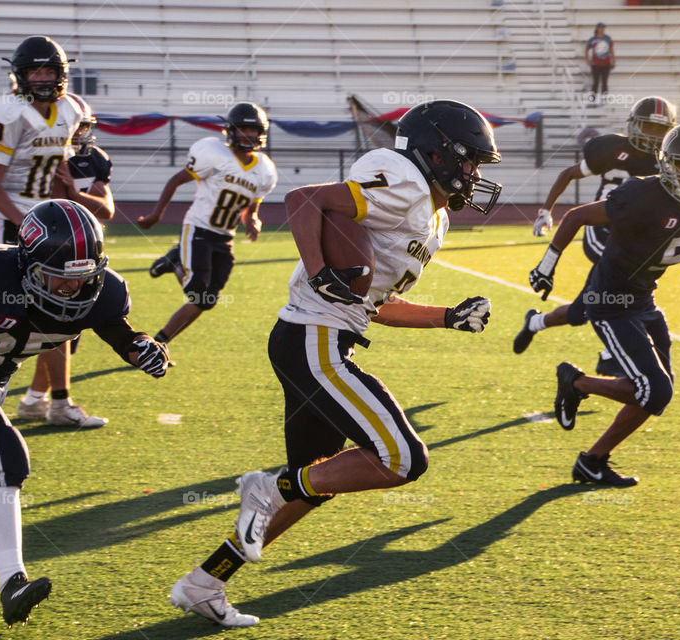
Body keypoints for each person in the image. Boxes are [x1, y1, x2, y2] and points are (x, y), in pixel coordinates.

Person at [167, 99, 499, 628]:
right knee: (401, 458)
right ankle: (264, 490)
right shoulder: (405, 182)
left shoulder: (430, 214)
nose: (474, 175)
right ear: (436, 153)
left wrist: (448, 317)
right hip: (312, 338)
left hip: (320, 338)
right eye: (469, 162)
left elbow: (378, 305)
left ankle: (205, 582)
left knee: (314, 484)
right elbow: (302, 201)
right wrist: (321, 270)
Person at [0, 199, 170, 628]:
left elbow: (117, 329)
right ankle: (12, 582)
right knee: (6, 455)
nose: (70, 290)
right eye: (56, 279)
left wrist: (140, 347)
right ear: (27, 265)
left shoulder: (101, 292)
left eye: (82, 279)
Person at [526, 122, 680, 486]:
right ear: (668, 163)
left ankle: (592, 461)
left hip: (644, 299)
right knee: (654, 389)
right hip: (610, 301)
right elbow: (578, 215)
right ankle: (577, 383)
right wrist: (546, 266)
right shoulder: (643, 194)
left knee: (656, 395)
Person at [0, 35, 104, 428]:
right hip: (7, 219)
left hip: (45, 222)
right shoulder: (7, 112)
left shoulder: (70, 109)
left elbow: (62, 171)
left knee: (58, 311)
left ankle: (51, 402)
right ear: (21, 75)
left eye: (50, 70)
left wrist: (68, 211)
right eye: (35, 71)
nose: (43, 78)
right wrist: (26, 223)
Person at [521, 97, 676, 376]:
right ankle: (612, 352)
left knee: (581, 312)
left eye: (658, 129)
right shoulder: (611, 148)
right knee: (623, 283)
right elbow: (569, 173)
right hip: (601, 230)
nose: (652, 134)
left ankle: (535, 322)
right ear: (633, 125)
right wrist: (546, 210)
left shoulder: (667, 163)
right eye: (647, 127)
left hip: (632, 237)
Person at [136, 102, 276, 345]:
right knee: (199, 295)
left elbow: (250, 209)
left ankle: (160, 342)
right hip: (199, 230)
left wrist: (252, 221)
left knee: (206, 301)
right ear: (231, 130)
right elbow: (175, 181)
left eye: (253, 130)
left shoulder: (264, 170)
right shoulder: (213, 152)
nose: (249, 135)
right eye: (243, 129)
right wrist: (156, 215)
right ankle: (177, 260)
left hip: (225, 238)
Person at [17, 92, 117, 421]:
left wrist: (76, 193)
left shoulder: (94, 160)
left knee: (64, 328)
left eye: (82, 128)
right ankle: (49, 401)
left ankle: (34, 401)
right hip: (43, 250)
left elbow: (107, 210)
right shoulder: (38, 154)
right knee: (53, 323)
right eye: (73, 128)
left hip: (81, 250)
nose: (78, 135)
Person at [586, 23, 615, 103]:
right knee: (595, 82)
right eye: (600, 28)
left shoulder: (607, 38)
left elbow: (611, 50)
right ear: (597, 29)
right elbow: (587, 49)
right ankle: (593, 98)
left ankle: (604, 98)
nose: (602, 29)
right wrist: (588, 60)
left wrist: (613, 60)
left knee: (604, 82)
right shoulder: (593, 39)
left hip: (606, 64)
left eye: (603, 28)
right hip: (596, 64)